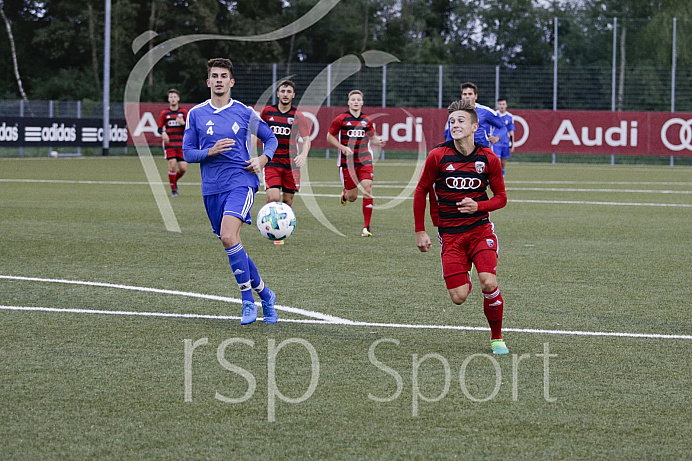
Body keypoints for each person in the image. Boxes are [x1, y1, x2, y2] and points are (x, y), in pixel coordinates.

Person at [183, 58, 279, 325]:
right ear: (208, 82)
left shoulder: (244, 112)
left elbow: (271, 138)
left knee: (228, 236)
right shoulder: (196, 114)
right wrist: (209, 152)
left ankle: (248, 301)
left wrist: (263, 159)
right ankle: (267, 295)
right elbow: (187, 153)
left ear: (231, 81)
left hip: (241, 181)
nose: (218, 80)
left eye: (223, 76)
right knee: (232, 242)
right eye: (214, 76)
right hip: (211, 188)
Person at [414, 99, 509, 355]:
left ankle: (497, 338)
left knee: (488, 282)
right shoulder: (438, 155)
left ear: (474, 127)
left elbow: (501, 197)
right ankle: (462, 276)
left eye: (461, 121)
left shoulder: (488, 158)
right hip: (451, 235)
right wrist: (420, 230)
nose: (455, 125)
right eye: (452, 121)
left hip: (480, 231)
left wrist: (479, 207)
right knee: (459, 298)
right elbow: (421, 190)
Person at [326, 90, 386, 237]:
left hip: (364, 160)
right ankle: (346, 194)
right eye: (353, 99)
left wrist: (378, 140)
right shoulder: (341, 119)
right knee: (353, 197)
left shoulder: (367, 120)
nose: (356, 102)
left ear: (362, 102)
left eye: (358, 99)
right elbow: (329, 136)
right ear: (348, 102)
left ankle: (367, 227)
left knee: (367, 188)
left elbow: (371, 137)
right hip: (347, 163)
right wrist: (342, 147)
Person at [260, 80, 312, 208]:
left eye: (288, 92)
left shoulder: (298, 116)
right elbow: (256, 131)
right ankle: (269, 223)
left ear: (293, 95)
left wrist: (303, 155)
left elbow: (306, 139)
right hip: (272, 161)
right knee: (274, 197)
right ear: (278, 93)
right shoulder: (267, 112)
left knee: (287, 202)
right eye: (282, 91)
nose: (285, 94)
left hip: (291, 164)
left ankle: (284, 226)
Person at [443, 82, 504, 148]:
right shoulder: (455, 113)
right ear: (461, 96)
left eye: (470, 94)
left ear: (475, 96)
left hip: (480, 151)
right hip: (460, 151)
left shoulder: (485, 111)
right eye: (464, 94)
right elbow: (449, 135)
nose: (467, 96)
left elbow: (503, 127)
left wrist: (497, 137)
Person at [157, 89, 188, 197]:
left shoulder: (183, 112)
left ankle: (173, 181)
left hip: (181, 144)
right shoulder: (164, 113)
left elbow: (190, 128)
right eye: (171, 97)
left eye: (175, 97)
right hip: (170, 144)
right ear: (168, 99)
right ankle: (174, 190)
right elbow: (159, 128)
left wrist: (183, 123)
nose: (173, 99)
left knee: (183, 169)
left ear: (178, 98)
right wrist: (163, 133)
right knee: (172, 166)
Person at [493, 97, 516, 176]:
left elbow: (511, 131)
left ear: (506, 105)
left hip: (505, 143)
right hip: (496, 143)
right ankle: (496, 178)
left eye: (503, 104)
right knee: (497, 161)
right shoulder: (494, 115)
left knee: (503, 163)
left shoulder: (509, 117)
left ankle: (501, 176)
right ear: (498, 105)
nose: (502, 106)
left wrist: (512, 144)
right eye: (500, 104)